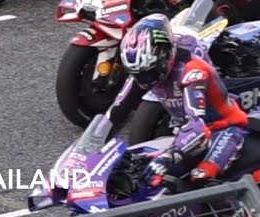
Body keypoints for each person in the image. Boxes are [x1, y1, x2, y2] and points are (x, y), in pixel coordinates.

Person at [97, 14, 250, 188]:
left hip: (222, 129)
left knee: (200, 177)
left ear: (164, 56)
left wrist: (169, 156)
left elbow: (198, 127)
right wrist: (89, 149)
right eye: (138, 74)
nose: (145, 80)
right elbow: (116, 110)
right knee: (140, 170)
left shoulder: (193, 72)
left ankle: (237, 213)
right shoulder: (143, 71)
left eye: (148, 73)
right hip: (184, 134)